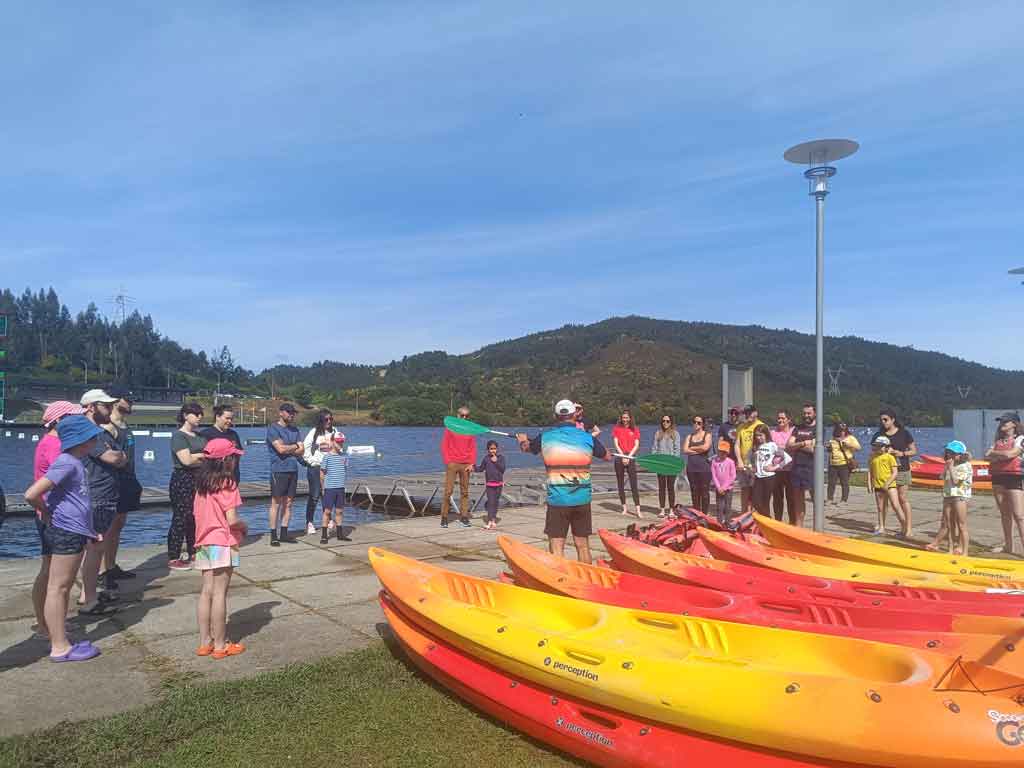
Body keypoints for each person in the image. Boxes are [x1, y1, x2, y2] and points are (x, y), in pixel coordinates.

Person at [23, 415, 105, 661]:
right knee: (58, 588)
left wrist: (90, 531)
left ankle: (60, 640)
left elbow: (78, 501)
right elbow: (32, 494)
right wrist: (47, 512)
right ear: (82, 440)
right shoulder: (67, 462)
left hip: (74, 530)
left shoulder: (74, 461)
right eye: (92, 437)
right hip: (66, 531)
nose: (95, 440)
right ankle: (59, 646)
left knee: (61, 587)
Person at [516, 399, 610, 563]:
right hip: (582, 499)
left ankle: (560, 581)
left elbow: (527, 449)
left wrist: (523, 439)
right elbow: (607, 456)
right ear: (575, 415)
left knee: (557, 546)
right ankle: (586, 580)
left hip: (558, 500)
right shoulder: (588, 437)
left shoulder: (545, 437)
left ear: (555, 416)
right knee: (583, 545)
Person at [31, 401, 83, 640]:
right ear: (61, 421)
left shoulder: (53, 442)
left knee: (51, 573)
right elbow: (57, 480)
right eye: (74, 418)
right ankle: (47, 625)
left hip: (52, 514)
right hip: (55, 516)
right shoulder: (55, 444)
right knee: (53, 576)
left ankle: (50, 623)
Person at [193, 438, 247, 660]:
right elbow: (232, 520)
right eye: (233, 457)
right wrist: (244, 527)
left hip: (203, 542)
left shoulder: (201, 486)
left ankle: (205, 641)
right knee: (220, 593)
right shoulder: (228, 483)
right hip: (223, 542)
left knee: (206, 591)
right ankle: (220, 644)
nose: (235, 461)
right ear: (226, 460)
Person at [79, 388, 127, 609]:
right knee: (95, 547)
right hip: (97, 495)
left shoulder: (99, 431)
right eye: (105, 405)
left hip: (104, 494)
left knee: (96, 546)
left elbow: (120, 457)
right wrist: (117, 456)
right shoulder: (89, 432)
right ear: (90, 407)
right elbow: (111, 457)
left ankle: (89, 593)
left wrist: (118, 456)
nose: (109, 409)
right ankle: (89, 598)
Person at [101, 390, 143, 591]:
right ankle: (102, 571)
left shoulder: (125, 426)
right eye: (129, 400)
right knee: (107, 528)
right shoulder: (108, 426)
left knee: (118, 527)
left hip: (127, 481)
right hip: (113, 482)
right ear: (117, 401)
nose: (132, 403)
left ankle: (111, 565)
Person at [168, 402, 208, 569]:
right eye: (195, 413)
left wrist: (198, 457)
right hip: (183, 479)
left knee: (195, 517)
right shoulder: (179, 436)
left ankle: (193, 551)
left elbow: (209, 456)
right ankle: (173, 556)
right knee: (181, 517)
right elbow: (186, 460)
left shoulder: (200, 436)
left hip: (199, 479)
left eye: (201, 414)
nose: (199, 417)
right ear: (185, 415)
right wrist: (201, 456)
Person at [872, 410, 916, 538]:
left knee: (902, 499)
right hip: (884, 473)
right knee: (883, 500)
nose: (883, 422)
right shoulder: (878, 435)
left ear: (893, 420)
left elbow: (914, 451)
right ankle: (882, 526)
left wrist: (901, 453)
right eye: (881, 420)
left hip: (902, 470)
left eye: (885, 419)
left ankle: (908, 528)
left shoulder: (904, 433)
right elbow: (873, 452)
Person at [985, 412, 1024, 554]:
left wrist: (994, 454)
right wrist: (998, 455)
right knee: (1005, 514)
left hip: (1014, 478)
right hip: (998, 478)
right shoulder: (998, 440)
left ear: (1014, 423)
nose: (1002, 424)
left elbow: (1011, 454)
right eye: (1001, 422)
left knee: (1019, 515)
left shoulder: (1020, 439)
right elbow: (986, 456)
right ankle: (1008, 546)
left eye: (1005, 422)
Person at [267, 403, 304, 545]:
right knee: (276, 502)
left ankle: (284, 533)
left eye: (293, 412)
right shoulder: (273, 429)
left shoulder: (295, 430)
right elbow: (280, 449)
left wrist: (291, 447)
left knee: (288, 503)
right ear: (281, 413)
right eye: (289, 412)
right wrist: (294, 446)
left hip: (293, 469)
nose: (292, 414)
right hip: (279, 470)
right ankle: (273, 535)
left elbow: (302, 450)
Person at [302, 409, 342, 535]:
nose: (329, 421)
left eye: (331, 419)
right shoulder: (314, 432)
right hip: (316, 467)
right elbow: (305, 447)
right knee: (314, 495)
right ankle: (309, 522)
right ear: (321, 420)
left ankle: (329, 519)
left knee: (328, 494)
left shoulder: (335, 431)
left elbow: (340, 446)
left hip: (330, 467)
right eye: (326, 419)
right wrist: (311, 461)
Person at [928, 440, 972, 555]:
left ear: (960, 455)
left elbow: (956, 481)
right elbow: (942, 477)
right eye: (947, 452)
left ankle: (965, 552)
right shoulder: (948, 464)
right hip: (948, 496)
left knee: (961, 524)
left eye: (952, 453)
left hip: (960, 496)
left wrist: (951, 467)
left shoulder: (965, 466)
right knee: (949, 524)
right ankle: (950, 549)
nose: (949, 455)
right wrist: (946, 467)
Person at [440, 405, 477, 529]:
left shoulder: (470, 430)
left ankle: (464, 517)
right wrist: (448, 461)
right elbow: (444, 446)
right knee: (448, 491)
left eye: (467, 416)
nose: (464, 418)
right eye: (462, 415)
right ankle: (444, 517)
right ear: (458, 416)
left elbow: (472, 448)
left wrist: (472, 463)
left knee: (465, 491)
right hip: (453, 463)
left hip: (466, 464)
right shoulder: (450, 428)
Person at [787, 403, 818, 527]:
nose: (806, 415)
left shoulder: (818, 429)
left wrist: (797, 445)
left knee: (816, 498)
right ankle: (799, 528)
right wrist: (804, 443)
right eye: (804, 413)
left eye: (809, 413)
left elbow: (813, 449)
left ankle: (818, 526)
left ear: (814, 413)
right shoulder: (797, 428)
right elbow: (789, 446)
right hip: (797, 467)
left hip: (812, 468)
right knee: (798, 500)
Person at [751, 424, 791, 517]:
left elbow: (788, 458)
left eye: (761, 435)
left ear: (766, 435)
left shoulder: (772, 445)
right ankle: (764, 522)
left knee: (765, 503)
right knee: (756, 502)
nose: (758, 438)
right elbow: (756, 461)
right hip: (758, 477)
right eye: (757, 435)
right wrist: (751, 467)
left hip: (769, 478)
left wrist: (775, 467)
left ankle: (767, 522)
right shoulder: (756, 446)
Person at [319, 434, 351, 543]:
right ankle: (324, 535)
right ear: (332, 442)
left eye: (342, 441)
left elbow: (344, 470)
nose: (340, 444)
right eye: (338, 441)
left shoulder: (344, 456)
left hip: (340, 488)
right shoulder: (327, 457)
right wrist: (323, 488)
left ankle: (340, 534)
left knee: (339, 511)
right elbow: (322, 473)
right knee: (327, 511)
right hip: (330, 488)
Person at [733, 405, 765, 515]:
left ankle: (755, 515)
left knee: (756, 491)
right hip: (744, 465)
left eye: (750, 413)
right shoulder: (741, 427)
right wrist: (739, 460)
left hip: (756, 465)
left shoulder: (761, 425)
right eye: (745, 413)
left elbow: (765, 445)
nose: (748, 415)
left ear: (756, 412)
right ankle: (744, 514)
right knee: (744, 490)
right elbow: (737, 445)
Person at [200, 404, 243, 483]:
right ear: (217, 417)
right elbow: (203, 458)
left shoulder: (234, 434)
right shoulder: (206, 434)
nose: (229, 421)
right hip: (214, 480)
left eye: (231, 419)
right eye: (227, 418)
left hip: (233, 478)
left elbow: (239, 453)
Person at [613, 409, 642, 518]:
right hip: (620, 457)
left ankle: (638, 509)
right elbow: (616, 443)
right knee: (620, 484)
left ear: (630, 418)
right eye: (623, 418)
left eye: (626, 418)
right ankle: (624, 508)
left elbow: (636, 445)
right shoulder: (617, 429)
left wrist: (629, 456)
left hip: (630, 457)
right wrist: (622, 456)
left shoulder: (635, 429)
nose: (625, 420)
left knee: (634, 484)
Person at [868, 435, 900, 535]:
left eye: (880, 446)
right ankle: (881, 526)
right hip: (878, 486)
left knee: (895, 505)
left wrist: (888, 483)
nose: (878, 448)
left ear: (886, 447)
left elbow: (895, 472)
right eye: (876, 446)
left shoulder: (890, 457)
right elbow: (870, 471)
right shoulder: (873, 457)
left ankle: (904, 525)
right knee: (880, 507)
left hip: (890, 485)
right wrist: (869, 484)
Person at [652, 415, 682, 516]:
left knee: (670, 488)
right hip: (660, 465)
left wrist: (671, 461)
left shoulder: (675, 434)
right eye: (663, 421)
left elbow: (677, 450)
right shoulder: (658, 433)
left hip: (671, 465)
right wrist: (655, 460)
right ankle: (662, 509)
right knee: (661, 488)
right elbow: (654, 449)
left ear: (671, 422)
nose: (665, 423)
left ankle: (672, 510)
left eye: (668, 421)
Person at [474, 439, 506, 530]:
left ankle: (493, 520)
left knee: (495, 503)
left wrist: (496, 462)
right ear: (488, 449)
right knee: (491, 503)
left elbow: (502, 469)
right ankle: (489, 521)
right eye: (491, 449)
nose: (493, 450)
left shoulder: (501, 458)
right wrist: (473, 467)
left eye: (494, 449)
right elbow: (480, 468)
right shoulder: (486, 458)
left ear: (497, 449)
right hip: (490, 485)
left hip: (499, 484)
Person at [682, 416, 711, 515]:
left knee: (704, 493)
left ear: (702, 424)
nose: (696, 424)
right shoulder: (689, 436)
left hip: (704, 468)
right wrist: (698, 450)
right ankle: (696, 514)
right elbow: (685, 450)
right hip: (691, 468)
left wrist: (692, 449)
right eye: (694, 422)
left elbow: (705, 447)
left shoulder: (707, 435)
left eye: (699, 423)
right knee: (694, 492)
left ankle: (704, 514)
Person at [826, 422, 861, 506]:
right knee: (831, 483)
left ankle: (844, 500)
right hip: (833, 463)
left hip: (844, 463)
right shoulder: (833, 439)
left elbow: (858, 447)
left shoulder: (850, 438)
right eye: (840, 430)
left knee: (844, 482)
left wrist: (847, 444)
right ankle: (829, 499)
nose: (842, 432)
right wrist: (828, 447)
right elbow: (831, 451)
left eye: (844, 430)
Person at [770, 410, 796, 522]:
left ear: (788, 420)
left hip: (790, 470)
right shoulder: (772, 433)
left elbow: (793, 447)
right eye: (779, 418)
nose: (780, 420)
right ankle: (778, 521)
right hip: (777, 470)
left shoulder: (793, 431)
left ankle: (793, 522)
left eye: (783, 418)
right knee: (777, 499)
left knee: (791, 498)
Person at [710, 439, 737, 525]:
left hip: (728, 488)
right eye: (720, 451)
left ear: (727, 452)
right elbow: (714, 476)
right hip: (719, 489)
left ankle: (728, 522)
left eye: (724, 452)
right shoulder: (714, 462)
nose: (722, 453)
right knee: (719, 507)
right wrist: (718, 487)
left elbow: (733, 476)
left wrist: (724, 487)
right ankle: (719, 523)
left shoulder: (730, 462)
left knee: (727, 506)